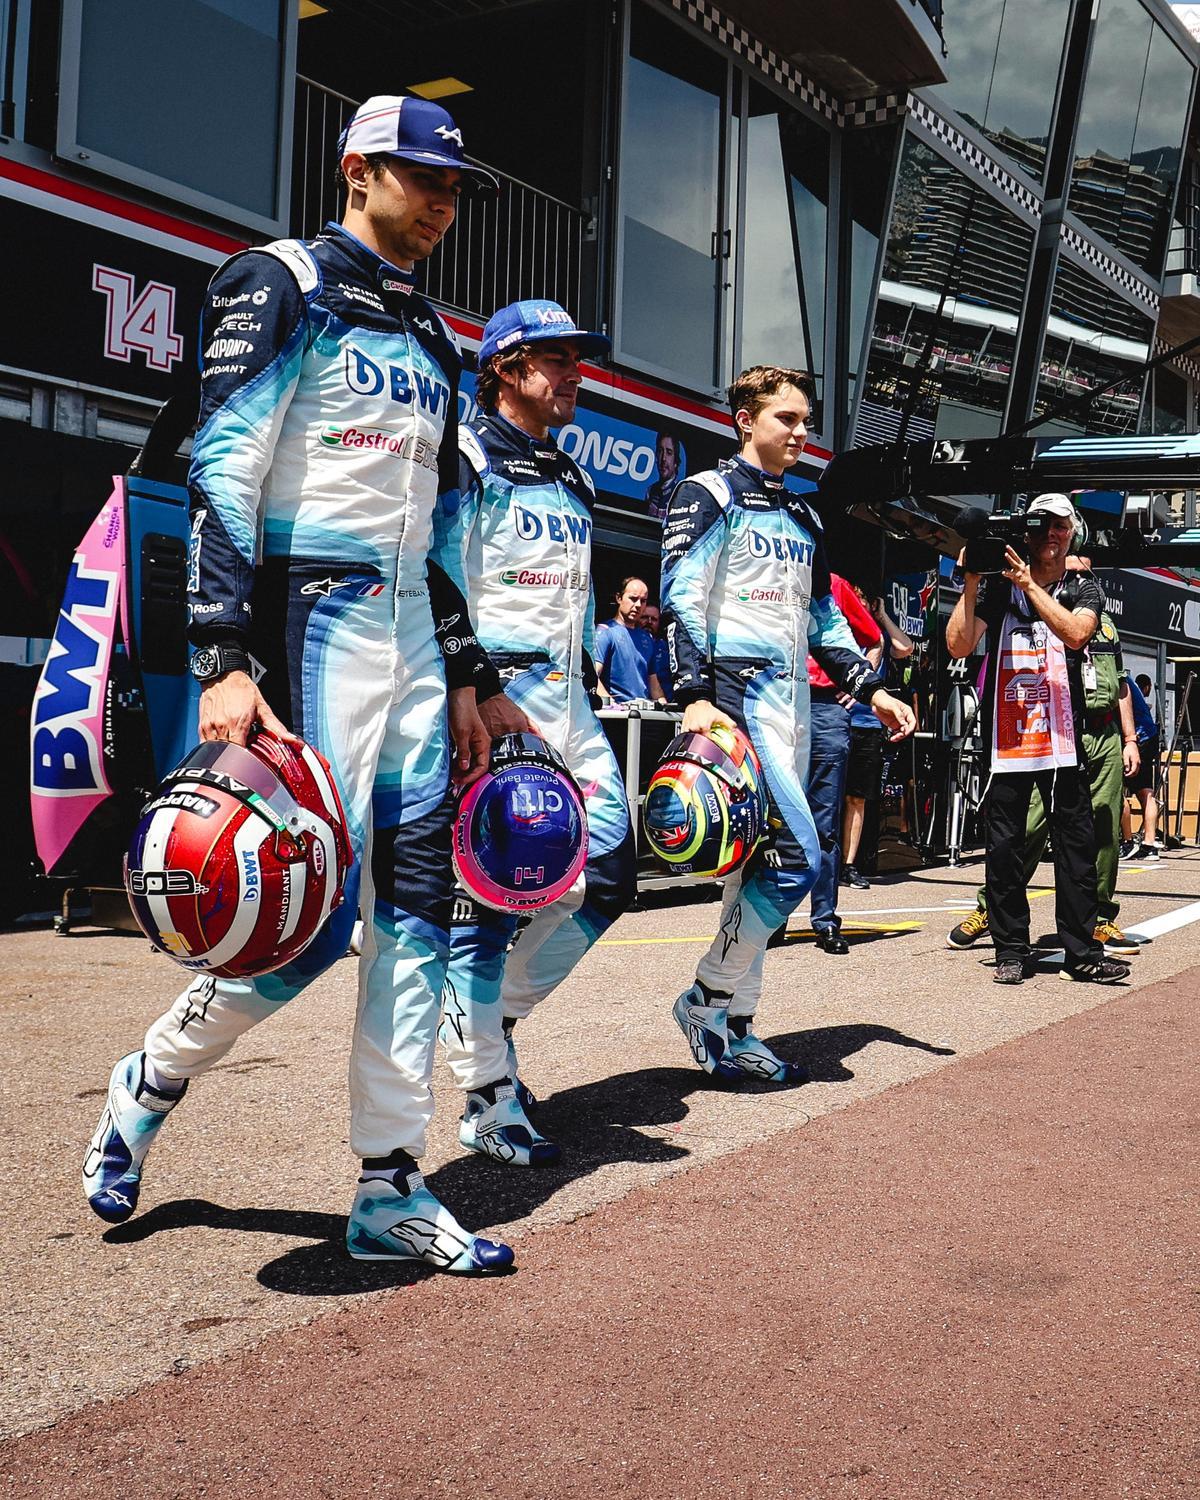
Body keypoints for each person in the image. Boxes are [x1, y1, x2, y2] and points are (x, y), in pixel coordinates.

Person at [82, 96, 520, 1274]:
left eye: (454, 186)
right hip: (305, 627)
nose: (440, 202)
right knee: (306, 927)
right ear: (355, 169)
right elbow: (224, 466)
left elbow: (434, 533)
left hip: (415, 651)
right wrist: (222, 656)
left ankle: (390, 1185)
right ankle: (151, 1076)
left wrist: (471, 670)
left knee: (422, 915)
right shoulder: (278, 281)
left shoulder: (434, 335)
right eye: (420, 179)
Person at [661, 365, 915, 1083]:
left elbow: (825, 623)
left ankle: (736, 1025)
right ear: (746, 420)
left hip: (796, 707)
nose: (802, 432)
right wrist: (693, 695)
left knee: (753, 873)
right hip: (737, 702)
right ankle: (707, 997)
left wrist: (872, 692)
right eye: (787, 419)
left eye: (807, 421)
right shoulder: (707, 494)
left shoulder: (805, 516)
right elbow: (683, 601)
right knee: (799, 857)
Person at [431, 299, 637, 1165]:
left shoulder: (577, 478)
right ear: (506, 369)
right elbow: (435, 575)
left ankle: (490, 1016)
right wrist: (464, 689)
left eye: (576, 361)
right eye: (555, 360)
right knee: (491, 897)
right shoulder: (466, 454)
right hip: (490, 702)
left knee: (613, 872)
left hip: (568, 704)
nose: (574, 375)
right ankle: (486, 1095)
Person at [945, 494, 1130, 985]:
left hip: (1066, 737)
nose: (1052, 534)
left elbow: (1075, 634)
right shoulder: (998, 585)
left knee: (1077, 845)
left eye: (1061, 526)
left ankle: (1082, 952)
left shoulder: (1083, 585)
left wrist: (1027, 584)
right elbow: (959, 644)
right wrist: (970, 581)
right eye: (1042, 525)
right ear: (1025, 531)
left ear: (1073, 532)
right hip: (1008, 737)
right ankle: (1011, 948)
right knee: (1004, 846)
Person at [947, 607, 1145, 958]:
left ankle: (1099, 917)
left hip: (1106, 733)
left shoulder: (1105, 621)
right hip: (1060, 732)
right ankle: (989, 911)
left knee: (1103, 828)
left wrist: (1129, 739)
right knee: (1028, 826)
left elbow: (1121, 683)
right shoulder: (1048, 610)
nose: (1081, 567)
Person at [803, 574, 883, 953]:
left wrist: (857, 688)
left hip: (824, 707)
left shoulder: (834, 584)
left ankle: (824, 920)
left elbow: (874, 640)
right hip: (774, 700)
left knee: (824, 819)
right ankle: (769, 918)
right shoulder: (763, 573)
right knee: (775, 818)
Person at [842, 591, 913, 889]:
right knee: (827, 795)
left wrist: (882, 616)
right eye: (855, 598)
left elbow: (905, 648)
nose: (861, 604)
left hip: (868, 722)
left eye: (865, 599)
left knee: (857, 796)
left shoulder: (879, 633)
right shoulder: (840, 631)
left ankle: (848, 865)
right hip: (837, 718)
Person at [595, 577, 667, 703]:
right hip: (616, 716)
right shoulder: (605, 632)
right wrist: (611, 705)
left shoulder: (647, 638)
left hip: (643, 715)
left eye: (643, 601)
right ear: (619, 598)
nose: (638, 605)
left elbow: (654, 685)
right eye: (633, 599)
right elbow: (592, 676)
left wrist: (666, 711)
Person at [1122, 673, 1161, 861]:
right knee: (1146, 792)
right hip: (1149, 735)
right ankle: (1149, 845)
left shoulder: (1117, 679)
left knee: (1117, 790)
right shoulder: (1130, 682)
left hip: (1136, 738)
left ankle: (1127, 841)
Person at [639, 601, 673, 702]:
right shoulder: (632, 643)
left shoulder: (667, 648)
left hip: (664, 703)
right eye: (644, 617)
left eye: (653, 619)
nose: (649, 622)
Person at [646, 433, 684, 521]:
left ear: (676, 462)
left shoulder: (681, 493)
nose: (663, 458)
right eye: (660, 451)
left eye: (669, 453)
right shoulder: (650, 491)